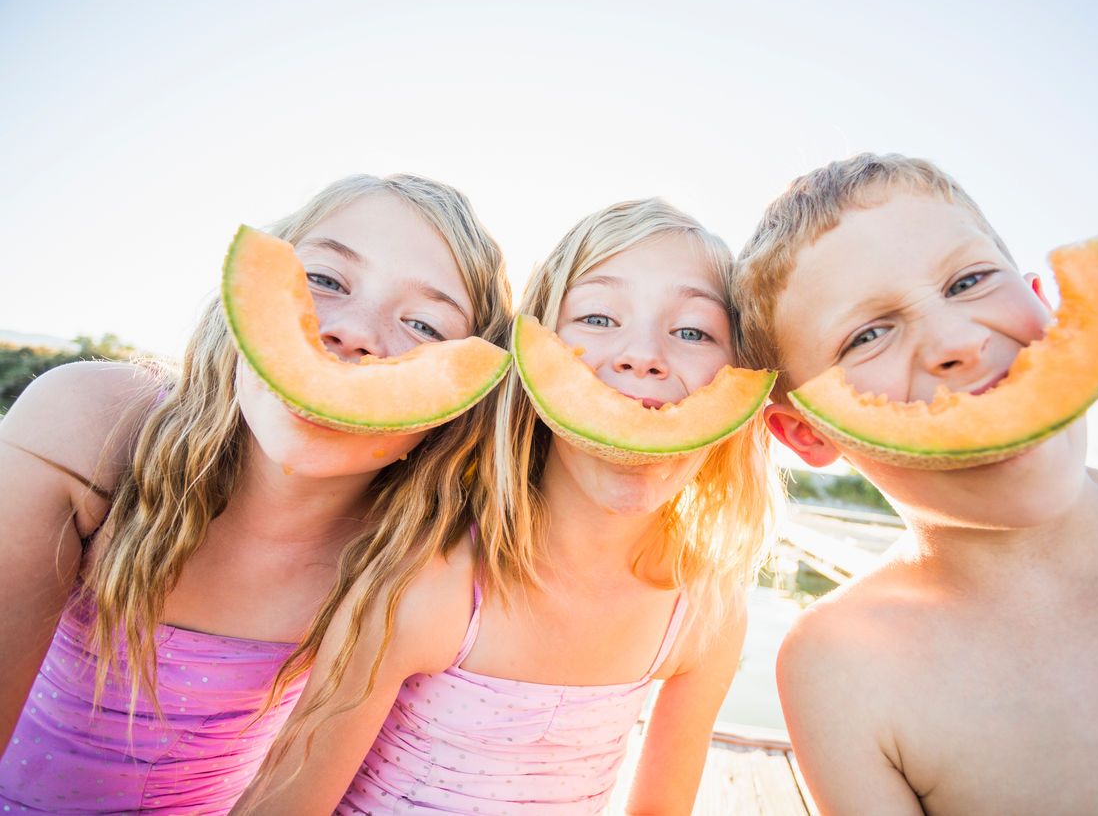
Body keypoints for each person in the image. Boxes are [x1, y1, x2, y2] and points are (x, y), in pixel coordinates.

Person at [736, 153, 1098, 814]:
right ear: (808, 434)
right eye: (868, 334)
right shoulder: (838, 666)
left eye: (969, 280)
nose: (956, 340)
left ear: (1042, 300)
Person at [234, 198, 781, 814]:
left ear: (739, 376)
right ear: (533, 352)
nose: (644, 355)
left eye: (692, 331)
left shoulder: (706, 612)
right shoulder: (428, 584)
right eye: (599, 317)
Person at [0, 173, 512, 813]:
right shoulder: (88, 427)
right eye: (323, 280)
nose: (352, 333)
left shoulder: (413, 564)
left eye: (425, 325)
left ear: (461, 402)